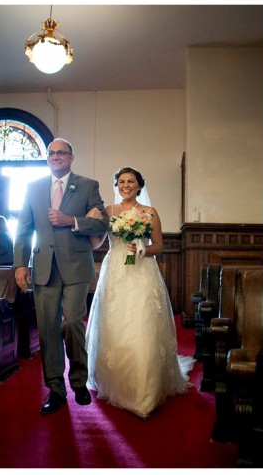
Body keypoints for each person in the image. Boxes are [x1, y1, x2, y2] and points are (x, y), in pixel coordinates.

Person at [83, 167, 195, 418]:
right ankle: (116, 382)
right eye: (121, 181)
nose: (125, 185)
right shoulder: (109, 211)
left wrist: (143, 247)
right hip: (115, 271)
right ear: (117, 185)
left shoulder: (149, 212)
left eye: (130, 181)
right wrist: (88, 222)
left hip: (142, 270)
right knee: (115, 322)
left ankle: (145, 391)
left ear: (139, 185)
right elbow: (97, 242)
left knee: (141, 322)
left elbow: (160, 246)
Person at [13, 138, 108, 415]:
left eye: (61, 153)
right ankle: (55, 389)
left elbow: (103, 221)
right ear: (47, 158)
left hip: (77, 265)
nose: (56, 157)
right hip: (43, 267)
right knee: (47, 330)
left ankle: (78, 379)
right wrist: (20, 264)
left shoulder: (88, 185)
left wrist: (72, 221)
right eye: (51, 153)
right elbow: (23, 228)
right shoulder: (33, 188)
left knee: (73, 323)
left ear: (71, 157)